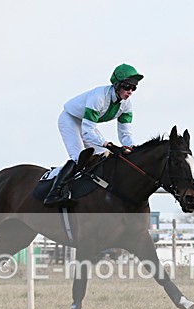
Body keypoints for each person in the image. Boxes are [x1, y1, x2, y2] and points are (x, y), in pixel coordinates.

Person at [44, 63, 144, 207]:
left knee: (104, 156)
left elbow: (125, 132)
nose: (130, 92)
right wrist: (109, 144)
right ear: (117, 85)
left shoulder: (126, 105)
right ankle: (53, 193)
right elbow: (87, 131)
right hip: (71, 119)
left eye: (134, 88)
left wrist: (131, 147)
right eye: (127, 87)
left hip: (87, 124)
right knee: (79, 157)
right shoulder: (98, 97)